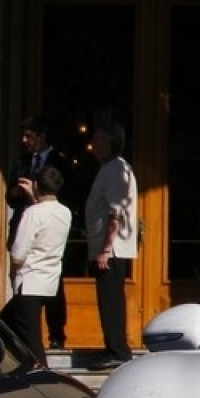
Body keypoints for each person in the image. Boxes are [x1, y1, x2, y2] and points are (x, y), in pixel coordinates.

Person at [9, 116, 70, 349]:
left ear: (42, 135)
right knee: (18, 312)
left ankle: (56, 335)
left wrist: (35, 202)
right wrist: (20, 192)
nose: (25, 141)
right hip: (25, 230)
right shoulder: (22, 161)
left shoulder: (59, 163)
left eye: (30, 136)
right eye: (23, 136)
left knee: (52, 291)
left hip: (48, 235)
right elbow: (10, 196)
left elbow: (63, 195)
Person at [1, 166, 71, 367]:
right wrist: (35, 197)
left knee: (32, 342)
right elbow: (44, 216)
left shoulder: (33, 213)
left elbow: (18, 253)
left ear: (37, 185)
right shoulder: (64, 212)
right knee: (3, 322)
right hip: (49, 282)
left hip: (29, 281)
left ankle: (43, 377)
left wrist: (14, 268)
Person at [84, 121, 138, 370]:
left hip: (112, 250)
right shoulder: (109, 168)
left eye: (97, 140)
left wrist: (106, 248)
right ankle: (113, 348)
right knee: (108, 299)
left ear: (110, 143)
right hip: (106, 247)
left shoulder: (116, 169)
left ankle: (118, 350)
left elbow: (115, 212)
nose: (93, 145)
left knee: (110, 299)